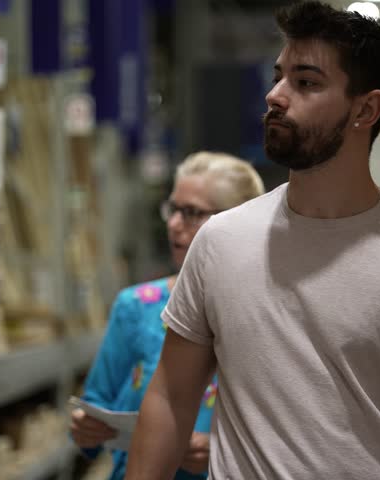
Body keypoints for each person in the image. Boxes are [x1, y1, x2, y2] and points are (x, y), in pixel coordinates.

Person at [125, 2, 380, 479]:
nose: (276, 95)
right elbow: (171, 399)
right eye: (279, 76)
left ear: (367, 108)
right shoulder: (221, 242)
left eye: (306, 82)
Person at [70, 151, 265, 480]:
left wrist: (218, 451)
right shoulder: (137, 307)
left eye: (192, 213)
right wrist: (85, 429)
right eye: (173, 209)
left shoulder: (265, 315)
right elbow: (94, 407)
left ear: (235, 220)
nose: (174, 224)